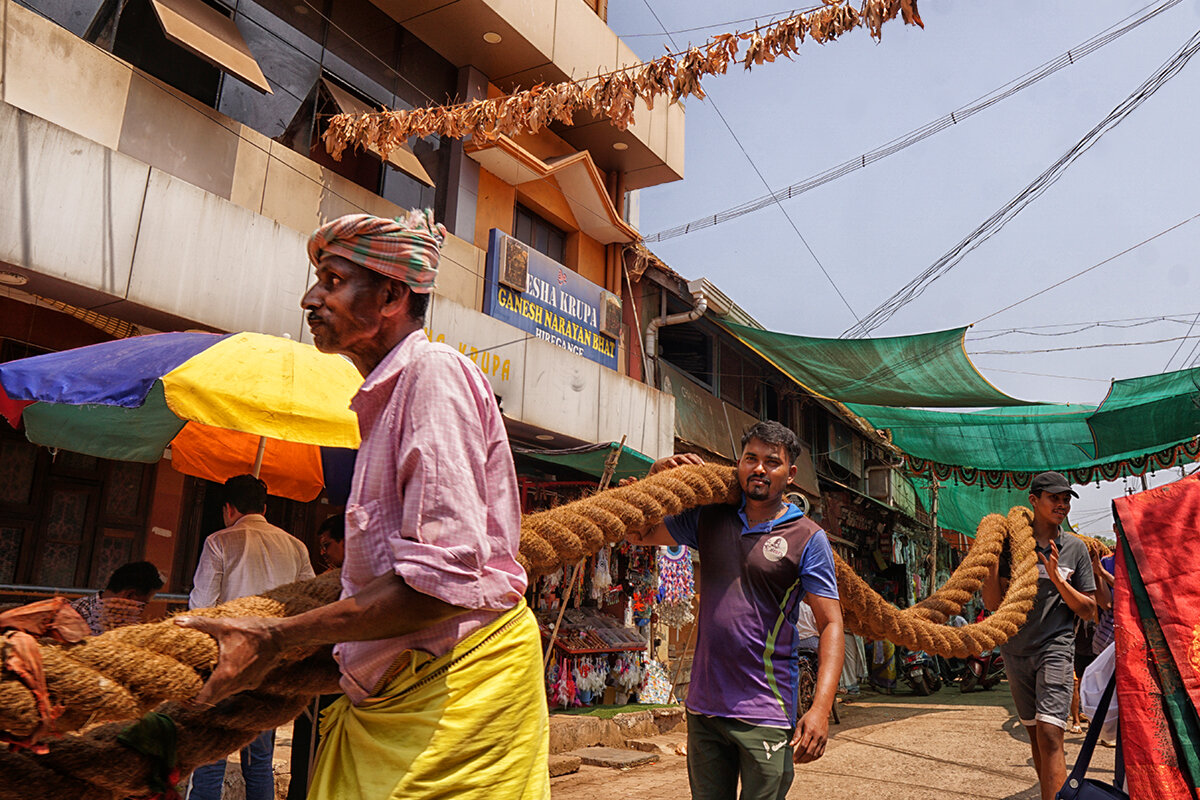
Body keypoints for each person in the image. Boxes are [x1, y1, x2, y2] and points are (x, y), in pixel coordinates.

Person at [177, 211, 548, 800]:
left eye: (331, 281)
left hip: (460, 695)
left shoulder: (432, 375)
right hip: (395, 694)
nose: (310, 298)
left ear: (392, 294)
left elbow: (436, 584)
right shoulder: (382, 397)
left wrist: (277, 638)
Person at [631, 421, 843, 800]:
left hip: (766, 709)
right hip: (704, 708)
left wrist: (820, 709)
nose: (759, 469)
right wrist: (653, 480)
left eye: (772, 462)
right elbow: (639, 533)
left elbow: (830, 625)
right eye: (751, 458)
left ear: (790, 474)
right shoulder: (709, 517)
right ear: (739, 463)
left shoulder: (808, 537)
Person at [187, 474, 316, 800]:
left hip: (225, 662)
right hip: (273, 665)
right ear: (265, 507)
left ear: (228, 508)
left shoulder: (219, 541)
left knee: (210, 755)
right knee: (259, 760)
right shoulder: (296, 546)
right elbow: (310, 603)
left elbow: (201, 607)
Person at [982, 471, 1096, 800]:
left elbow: (1089, 609)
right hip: (1015, 651)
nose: (1062, 505)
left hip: (1055, 648)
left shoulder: (1074, 548)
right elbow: (992, 603)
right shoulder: (1012, 547)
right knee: (1035, 737)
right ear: (1034, 501)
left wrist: (1058, 580)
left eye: (1066, 500)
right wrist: (989, 558)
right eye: (1054, 498)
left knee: (1050, 735)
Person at [71, 561, 163, 635]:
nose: (141, 610)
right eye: (143, 604)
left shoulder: (130, 626)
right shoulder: (77, 611)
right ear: (130, 595)